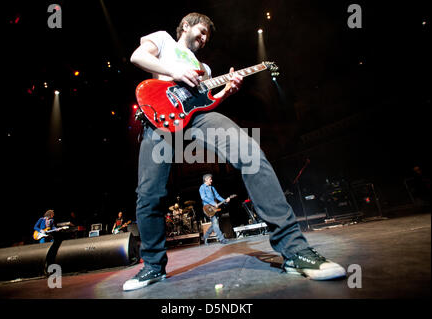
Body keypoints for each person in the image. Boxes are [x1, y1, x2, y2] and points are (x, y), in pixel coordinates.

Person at [123, 12, 346, 291]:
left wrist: (226, 90)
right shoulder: (164, 40)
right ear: (186, 25)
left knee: (250, 154)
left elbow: (204, 103)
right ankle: (153, 267)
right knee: (149, 194)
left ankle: (294, 251)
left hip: (197, 119)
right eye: (201, 31)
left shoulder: (203, 68)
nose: (204, 38)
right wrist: (174, 71)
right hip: (159, 121)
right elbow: (138, 57)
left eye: (207, 36)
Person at [199, 174, 229, 245]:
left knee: (214, 224)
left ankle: (205, 237)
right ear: (206, 179)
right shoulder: (202, 187)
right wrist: (213, 203)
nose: (211, 180)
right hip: (208, 209)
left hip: (214, 208)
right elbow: (203, 197)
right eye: (210, 179)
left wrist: (225, 200)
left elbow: (217, 196)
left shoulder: (212, 188)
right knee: (215, 223)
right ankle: (221, 239)